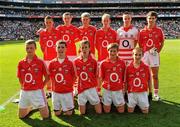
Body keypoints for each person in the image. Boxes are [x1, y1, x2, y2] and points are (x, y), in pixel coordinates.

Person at [17, 39, 49, 119]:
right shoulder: (21, 62)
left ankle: (37, 106)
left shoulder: (40, 62)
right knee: (21, 116)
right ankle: (31, 107)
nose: (29, 50)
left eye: (31, 48)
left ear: (35, 49)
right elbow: (19, 77)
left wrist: (42, 86)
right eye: (27, 48)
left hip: (37, 91)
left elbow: (47, 76)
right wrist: (23, 86)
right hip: (25, 91)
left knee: (45, 116)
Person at [138, 11, 164, 101]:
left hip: (154, 55)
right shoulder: (142, 31)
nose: (151, 20)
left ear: (155, 19)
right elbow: (140, 44)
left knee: (155, 75)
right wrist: (144, 52)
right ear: (147, 19)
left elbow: (162, 42)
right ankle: (145, 92)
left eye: (153, 18)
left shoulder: (159, 30)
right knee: (144, 74)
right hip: (145, 55)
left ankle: (156, 94)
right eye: (149, 18)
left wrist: (158, 51)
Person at [74, 40, 102, 115]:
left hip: (91, 87)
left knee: (99, 111)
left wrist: (98, 89)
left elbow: (97, 76)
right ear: (80, 49)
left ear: (89, 48)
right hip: (81, 87)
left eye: (86, 47)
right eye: (82, 47)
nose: (84, 49)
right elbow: (74, 76)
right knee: (82, 113)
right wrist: (74, 88)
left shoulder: (94, 61)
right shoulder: (76, 61)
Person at [48, 40, 76, 116]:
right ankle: (61, 107)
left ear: (66, 49)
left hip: (67, 91)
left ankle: (69, 108)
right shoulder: (51, 63)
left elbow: (74, 76)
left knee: (69, 114)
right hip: (56, 91)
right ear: (55, 49)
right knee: (57, 114)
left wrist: (69, 85)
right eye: (59, 47)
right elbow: (48, 76)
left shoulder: (70, 63)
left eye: (62, 47)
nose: (60, 49)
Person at [99, 43, 126, 113]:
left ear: (117, 52)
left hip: (118, 89)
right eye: (111, 51)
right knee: (107, 110)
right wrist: (99, 91)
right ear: (108, 51)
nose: (112, 53)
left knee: (121, 111)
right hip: (107, 89)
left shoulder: (122, 63)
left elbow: (124, 78)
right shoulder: (103, 63)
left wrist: (124, 90)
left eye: (114, 51)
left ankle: (117, 101)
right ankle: (105, 101)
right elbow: (101, 78)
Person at [126, 47, 152, 114]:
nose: (137, 56)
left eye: (139, 55)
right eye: (136, 54)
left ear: (142, 55)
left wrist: (151, 92)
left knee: (145, 112)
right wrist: (125, 93)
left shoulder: (146, 67)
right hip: (132, 92)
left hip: (142, 92)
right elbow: (126, 81)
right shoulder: (128, 67)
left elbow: (149, 80)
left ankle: (140, 103)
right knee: (130, 111)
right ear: (132, 55)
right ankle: (135, 103)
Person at [39, 15, 60, 97]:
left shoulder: (57, 32)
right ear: (44, 23)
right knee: (47, 75)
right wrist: (46, 52)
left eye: (50, 22)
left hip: (56, 58)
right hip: (46, 58)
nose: (48, 24)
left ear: (53, 23)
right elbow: (41, 46)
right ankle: (49, 90)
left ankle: (57, 89)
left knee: (57, 74)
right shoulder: (42, 33)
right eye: (47, 22)